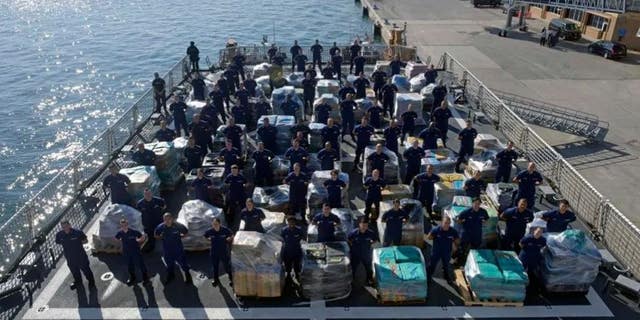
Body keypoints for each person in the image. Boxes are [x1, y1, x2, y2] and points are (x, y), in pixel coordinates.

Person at [55, 220, 95, 289]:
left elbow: (86, 241)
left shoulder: (78, 232)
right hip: (70, 258)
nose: (65, 228)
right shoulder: (59, 235)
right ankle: (78, 282)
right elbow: (58, 242)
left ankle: (91, 282)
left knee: (86, 270)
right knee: (74, 272)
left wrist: (77, 242)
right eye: (63, 227)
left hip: (81, 256)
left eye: (66, 226)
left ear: (69, 225)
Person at [155, 213, 192, 284]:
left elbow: (186, 232)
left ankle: (188, 275)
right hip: (167, 249)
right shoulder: (160, 227)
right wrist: (161, 237)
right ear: (163, 220)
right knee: (169, 263)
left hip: (178, 249)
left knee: (183, 263)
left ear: (172, 219)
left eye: (169, 219)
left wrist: (181, 237)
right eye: (165, 219)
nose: (167, 221)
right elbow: (156, 235)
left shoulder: (178, 226)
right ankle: (171, 275)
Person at [115, 218, 149, 286]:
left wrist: (138, 240)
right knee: (129, 265)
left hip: (135, 251)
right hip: (127, 252)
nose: (124, 227)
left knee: (141, 264)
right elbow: (116, 238)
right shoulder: (120, 233)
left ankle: (146, 279)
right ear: (121, 227)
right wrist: (121, 242)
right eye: (122, 226)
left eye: (125, 225)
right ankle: (132, 277)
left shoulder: (133, 232)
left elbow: (142, 237)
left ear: (127, 225)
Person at [426, 216, 459, 282]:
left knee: (446, 265)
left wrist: (454, 244)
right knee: (432, 265)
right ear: (442, 223)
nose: (447, 225)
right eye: (445, 223)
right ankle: (428, 277)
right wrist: (431, 235)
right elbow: (428, 237)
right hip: (436, 251)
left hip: (447, 252)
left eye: (448, 223)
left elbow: (457, 241)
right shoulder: (436, 230)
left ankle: (446, 276)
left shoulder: (453, 231)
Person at [348, 217, 379, 286]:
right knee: (353, 268)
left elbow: (375, 240)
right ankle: (351, 280)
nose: (364, 227)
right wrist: (352, 246)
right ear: (359, 224)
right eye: (363, 225)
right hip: (356, 254)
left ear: (367, 226)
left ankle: (369, 280)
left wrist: (370, 243)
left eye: (366, 225)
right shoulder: (354, 233)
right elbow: (349, 239)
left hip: (366, 254)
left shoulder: (370, 233)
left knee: (368, 268)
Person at [456, 198, 489, 264]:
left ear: (480, 204)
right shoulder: (466, 212)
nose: (476, 205)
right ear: (472, 203)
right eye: (475, 203)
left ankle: (472, 264)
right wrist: (463, 223)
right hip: (466, 234)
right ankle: (460, 262)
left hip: (477, 234)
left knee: (475, 250)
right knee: (462, 249)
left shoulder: (483, 211)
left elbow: (487, 218)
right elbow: (458, 219)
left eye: (478, 204)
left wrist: (484, 222)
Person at [204, 218, 234, 287]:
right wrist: (209, 239)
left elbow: (231, 234)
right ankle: (216, 280)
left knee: (227, 266)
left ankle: (231, 279)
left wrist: (228, 239)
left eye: (216, 224)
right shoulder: (210, 231)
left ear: (219, 224)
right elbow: (205, 236)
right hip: (214, 252)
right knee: (215, 267)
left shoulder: (224, 230)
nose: (215, 226)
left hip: (223, 252)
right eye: (213, 224)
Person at [281, 217, 304, 282]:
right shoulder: (284, 230)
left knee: (297, 265)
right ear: (287, 222)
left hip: (296, 251)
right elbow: (282, 239)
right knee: (287, 265)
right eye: (289, 222)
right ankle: (288, 276)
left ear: (295, 222)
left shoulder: (299, 230)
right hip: (287, 251)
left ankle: (297, 275)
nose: (291, 224)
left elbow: (302, 238)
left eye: (293, 222)